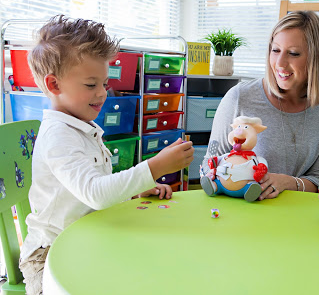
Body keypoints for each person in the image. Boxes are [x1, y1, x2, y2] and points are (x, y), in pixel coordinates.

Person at [19, 15, 194, 294]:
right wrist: (154, 167)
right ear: (54, 85)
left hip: (86, 237)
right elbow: (95, 194)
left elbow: (96, 186)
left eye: (104, 83)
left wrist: (134, 190)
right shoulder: (58, 135)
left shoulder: (83, 125)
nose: (102, 94)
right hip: (49, 254)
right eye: (91, 85)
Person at [201, 11, 319, 200]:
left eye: (293, 53)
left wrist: (287, 182)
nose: (279, 63)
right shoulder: (239, 97)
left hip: (293, 215)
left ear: (316, 58)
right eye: (275, 50)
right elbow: (209, 162)